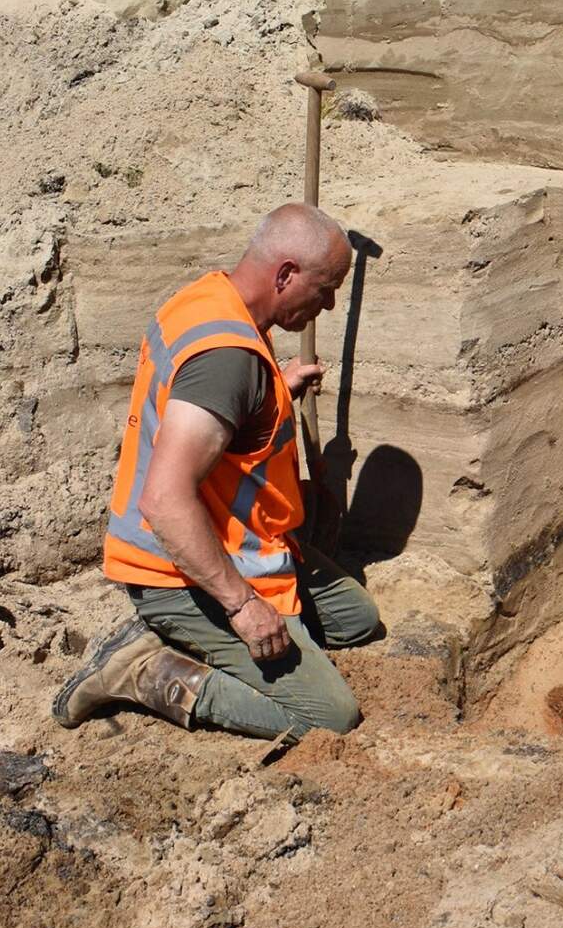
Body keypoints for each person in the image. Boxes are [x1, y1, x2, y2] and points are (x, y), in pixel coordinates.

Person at [52, 203, 381, 742]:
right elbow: (164, 499)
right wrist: (243, 606)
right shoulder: (227, 360)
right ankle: (146, 669)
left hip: (239, 543)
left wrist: (272, 390)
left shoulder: (213, 301)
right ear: (285, 274)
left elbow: (208, 404)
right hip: (179, 571)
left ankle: (209, 636)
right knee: (330, 716)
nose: (328, 305)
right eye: (325, 289)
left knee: (355, 619)